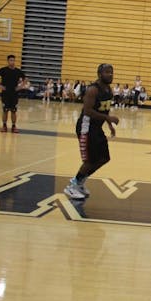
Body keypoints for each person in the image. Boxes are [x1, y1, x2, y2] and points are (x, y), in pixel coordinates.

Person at [64, 64, 119, 200]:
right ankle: (73, 186)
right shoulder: (93, 90)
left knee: (104, 158)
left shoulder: (108, 90)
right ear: (99, 74)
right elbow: (88, 111)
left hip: (96, 128)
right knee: (90, 160)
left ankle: (80, 182)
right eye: (107, 72)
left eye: (111, 72)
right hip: (86, 127)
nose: (110, 74)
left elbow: (105, 110)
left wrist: (109, 124)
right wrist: (108, 118)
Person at [0, 54, 27, 133]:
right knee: (5, 110)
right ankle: (4, 126)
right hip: (5, 93)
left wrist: (20, 87)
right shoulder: (3, 70)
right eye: (11, 60)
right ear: (8, 61)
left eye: (13, 60)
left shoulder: (18, 71)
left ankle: (13, 126)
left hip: (14, 93)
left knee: (13, 111)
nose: (12, 62)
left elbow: (25, 79)